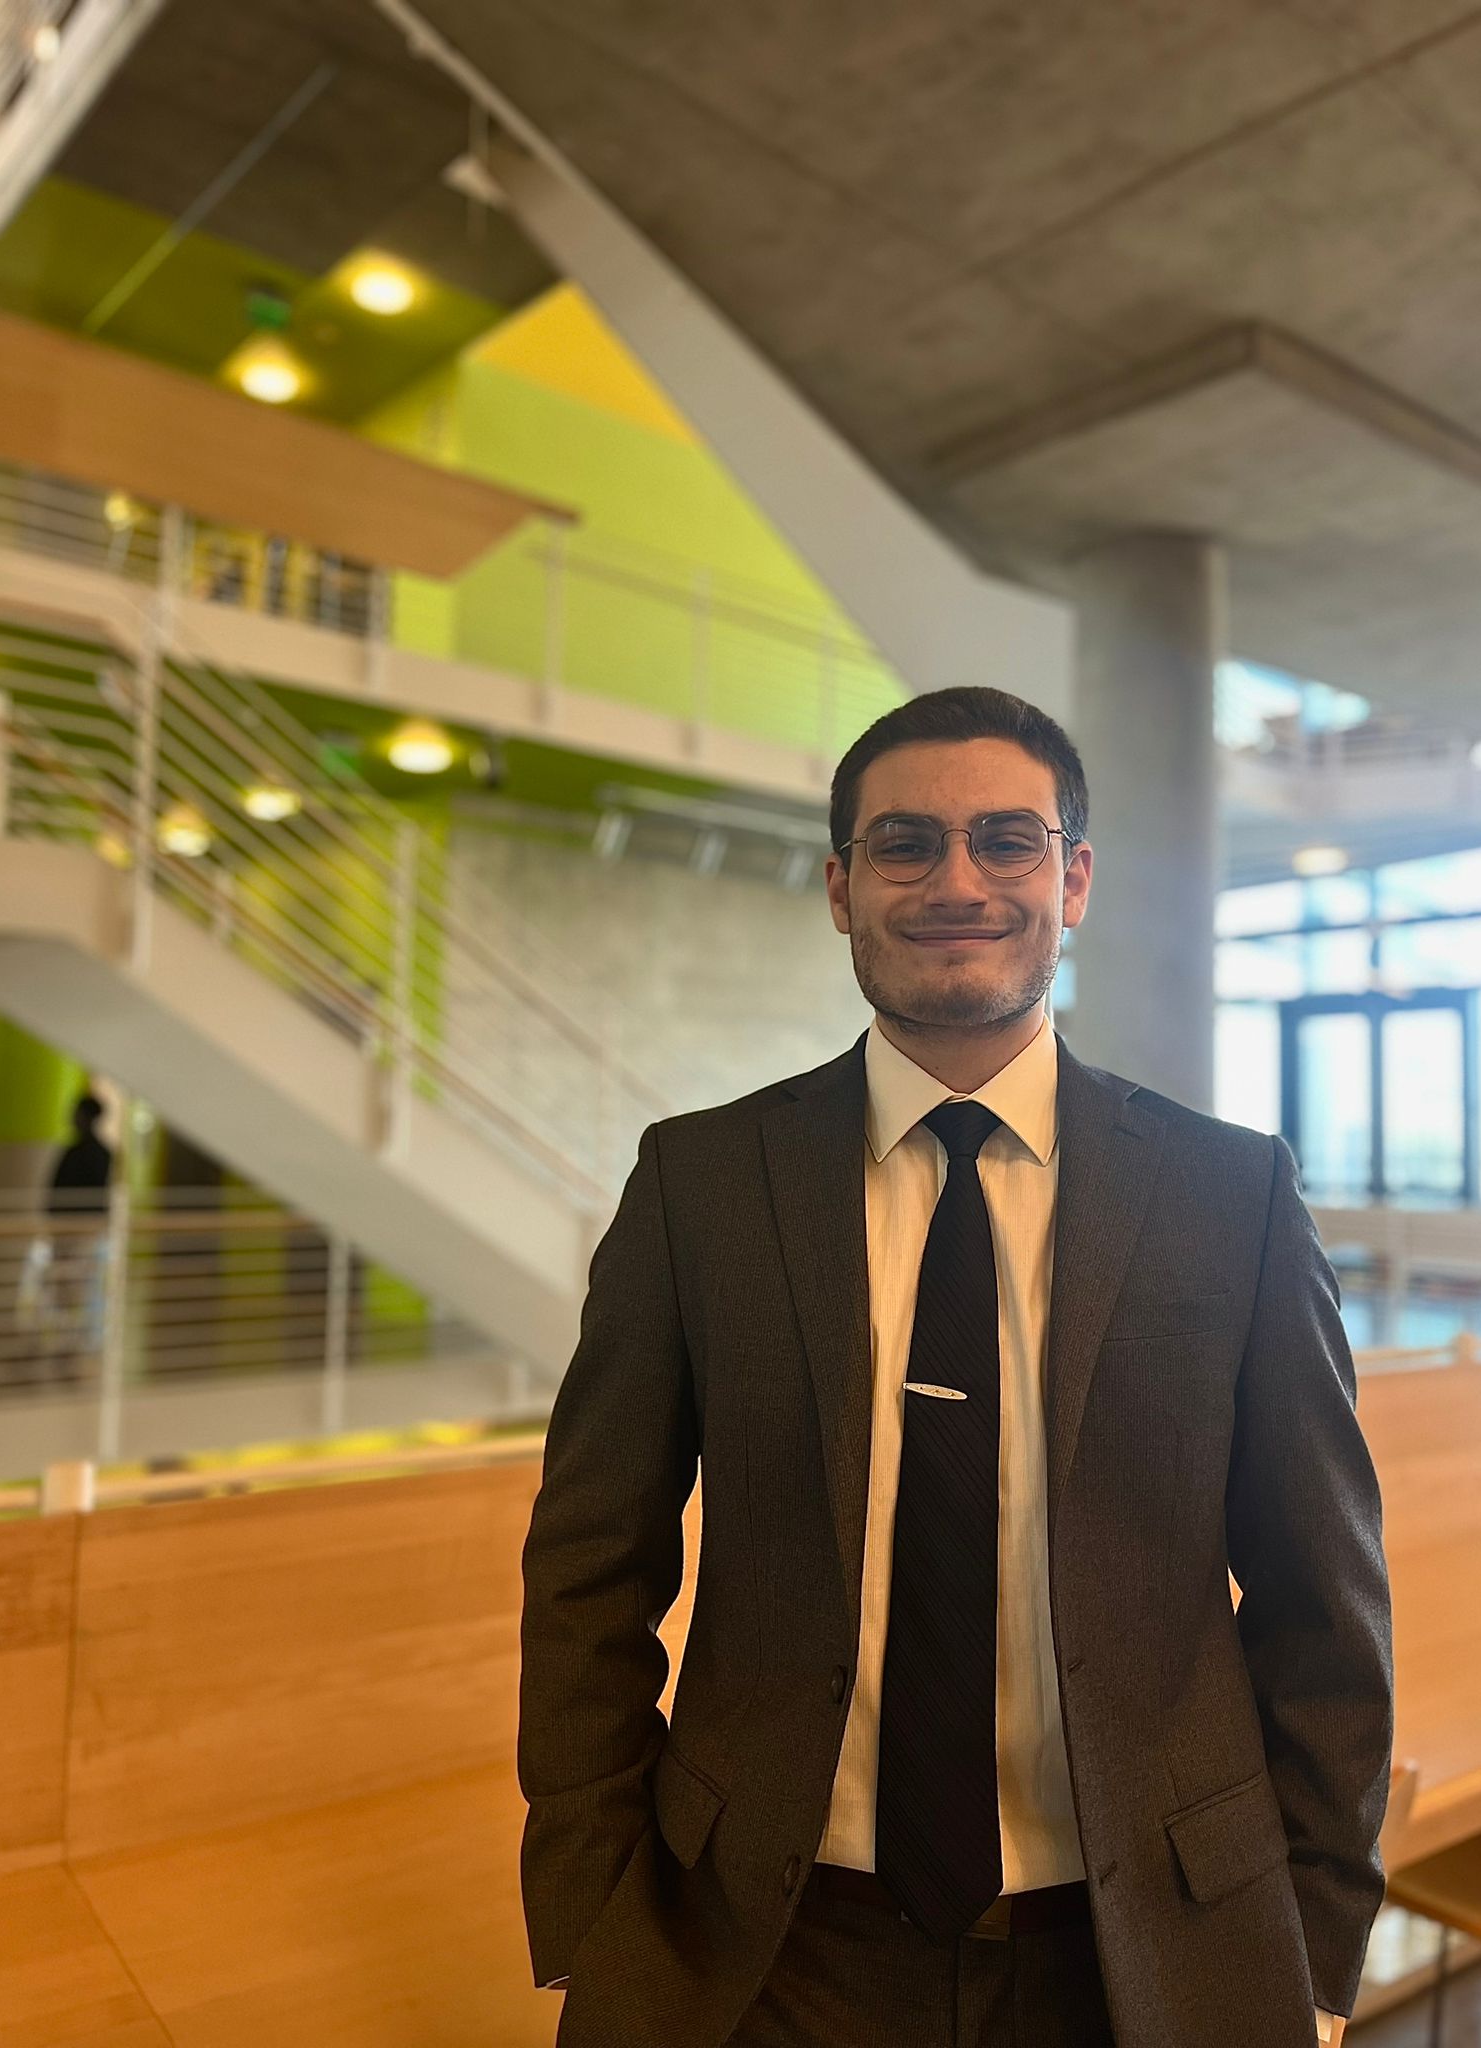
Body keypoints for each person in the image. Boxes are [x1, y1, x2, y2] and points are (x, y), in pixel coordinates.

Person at [518, 687, 1393, 2048]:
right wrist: (590, 1908)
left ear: (1073, 879)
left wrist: (1315, 1951)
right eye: (906, 843)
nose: (958, 881)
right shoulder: (702, 1183)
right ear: (841, 887)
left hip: (1149, 1956)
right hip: (763, 1952)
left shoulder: (1232, 1196)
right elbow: (591, 1564)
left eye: (1007, 840)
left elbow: (1323, 1599)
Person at [43, 1091, 114, 1377]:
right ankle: (70, 1347)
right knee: (72, 1289)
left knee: (72, 1289)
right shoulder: (98, 1153)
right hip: (77, 1231)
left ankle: (72, 1348)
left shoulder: (84, 1154)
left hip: (77, 1231)